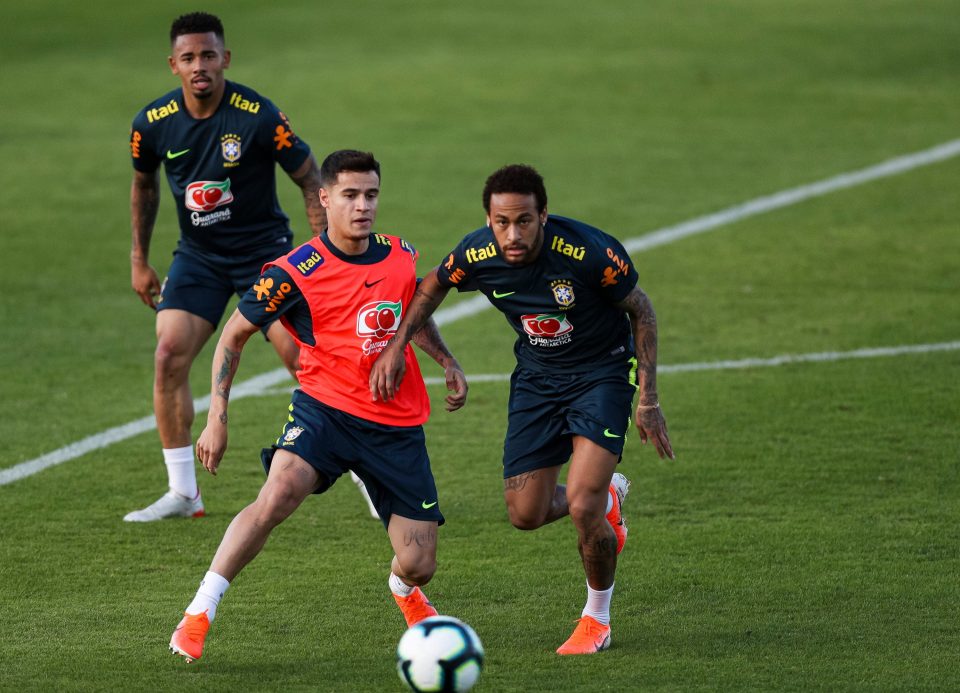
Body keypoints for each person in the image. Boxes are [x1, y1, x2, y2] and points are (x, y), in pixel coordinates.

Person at [168, 150, 468, 663]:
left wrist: (445, 359)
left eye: (371, 195)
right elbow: (231, 338)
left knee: (418, 562)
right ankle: (198, 613)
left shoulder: (400, 254)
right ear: (324, 198)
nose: (362, 206)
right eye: (350, 195)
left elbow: (409, 315)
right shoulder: (293, 272)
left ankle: (406, 593)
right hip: (323, 411)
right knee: (279, 492)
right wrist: (218, 417)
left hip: (394, 424)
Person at [370, 164, 674, 655]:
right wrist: (399, 346)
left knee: (581, 505)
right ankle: (608, 498)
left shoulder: (590, 252)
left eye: (524, 221)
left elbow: (642, 309)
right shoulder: (477, 253)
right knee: (525, 514)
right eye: (501, 222)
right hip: (536, 379)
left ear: (543, 216)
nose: (513, 234)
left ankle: (597, 618)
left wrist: (650, 399)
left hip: (602, 375)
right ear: (489, 220)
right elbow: (433, 285)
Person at [125, 12, 350, 521]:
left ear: (225, 58)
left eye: (208, 55)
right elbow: (144, 186)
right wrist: (140, 259)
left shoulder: (257, 116)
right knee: (167, 355)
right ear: (173, 65)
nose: (199, 65)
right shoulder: (152, 124)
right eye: (188, 58)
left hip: (264, 255)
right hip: (198, 257)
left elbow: (309, 176)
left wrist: (326, 254)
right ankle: (184, 493)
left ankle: (361, 465)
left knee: (302, 358)